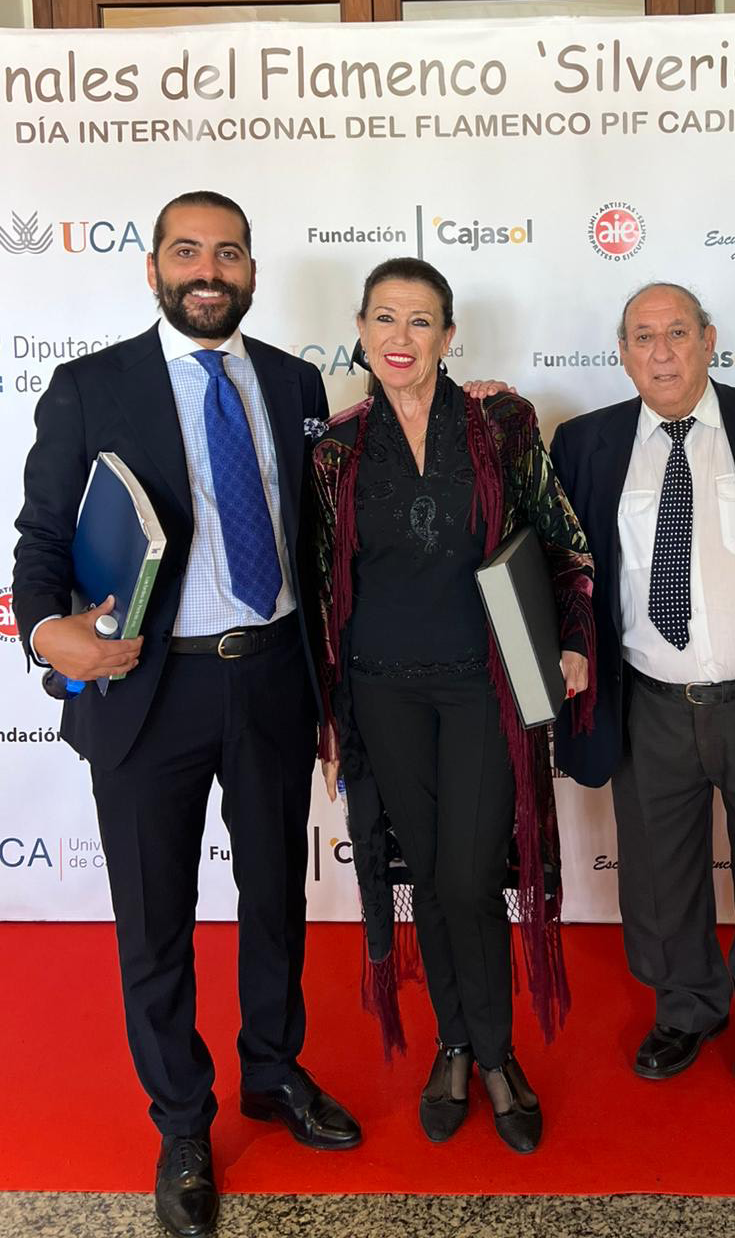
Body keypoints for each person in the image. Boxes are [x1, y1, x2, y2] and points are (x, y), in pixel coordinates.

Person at [12, 191, 360, 1238]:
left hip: (272, 680)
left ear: (251, 269)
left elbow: (317, 542)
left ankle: (272, 1070)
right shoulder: (90, 387)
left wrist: (332, 688)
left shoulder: (296, 383)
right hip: (145, 687)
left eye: (228, 252)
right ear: (154, 267)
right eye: (187, 251)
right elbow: (37, 543)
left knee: (274, 898)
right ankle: (182, 1118)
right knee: (155, 919)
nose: (208, 268)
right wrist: (43, 632)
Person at [308, 257, 595, 1154]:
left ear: (449, 334)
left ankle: (500, 1053)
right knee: (426, 876)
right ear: (359, 330)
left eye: (421, 320)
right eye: (384, 319)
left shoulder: (501, 425)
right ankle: (457, 1046)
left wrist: (576, 638)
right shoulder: (335, 450)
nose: (401, 337)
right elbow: (322, 589)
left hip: (481, 682)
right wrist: (328, 718)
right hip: (380, 690)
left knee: (471, 876)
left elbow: (561, 539)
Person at [549, 281, 735, 1088]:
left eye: (678, 332)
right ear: (623, 353)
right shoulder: (586, 443)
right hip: (647, 702)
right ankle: (685, 1007)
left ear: (711, 340)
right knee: (657, 872)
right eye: (643, 336)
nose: (662, 351)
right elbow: (564, 568)